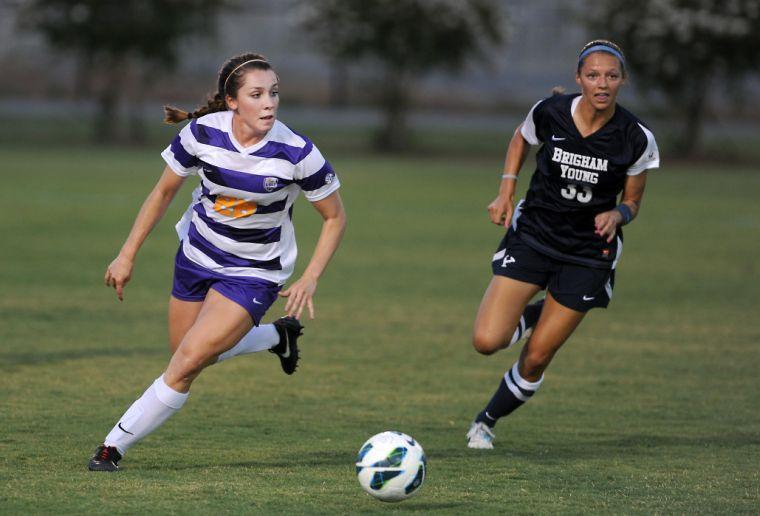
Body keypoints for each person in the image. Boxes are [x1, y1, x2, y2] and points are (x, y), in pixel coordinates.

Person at [88, 53, 346, 471]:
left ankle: (111, 447)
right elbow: (162, 194)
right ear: (231, 101)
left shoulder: (297, 152)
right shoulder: (201, 134)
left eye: (274, 93)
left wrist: (311, 277)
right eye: (257, 94)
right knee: (184, 353)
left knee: (187, 363)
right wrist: (126, 253)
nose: (269, 104)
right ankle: (276, 338)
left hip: (253, 273)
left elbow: (335, 217)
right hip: (196, 256)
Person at [466, 40, 659, 449]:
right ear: (579, 78)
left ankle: (486, 421)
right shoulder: (550, 112)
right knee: (486, 341)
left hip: (588, 254)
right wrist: (505, 190)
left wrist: (618, 215)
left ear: (622, 80)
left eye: (610, 76)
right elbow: (521, 139)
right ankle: (541, 313)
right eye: (593, 75)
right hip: (534, 236)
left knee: (536, 357)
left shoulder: (635, 137)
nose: (601, 83)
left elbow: (633, 202)